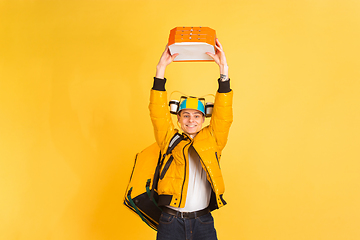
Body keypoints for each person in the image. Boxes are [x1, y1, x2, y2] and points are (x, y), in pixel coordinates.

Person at [149, 39, 233, 240]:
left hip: (203, 220)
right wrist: (161, 69)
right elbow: (158, 113)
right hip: (170, 221)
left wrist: (223, 71)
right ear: (178, 118)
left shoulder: (212, 139)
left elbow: (223, 115)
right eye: (186, 115)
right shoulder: (169, 139)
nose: (191, 120)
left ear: (204, 119)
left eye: (196, 116)